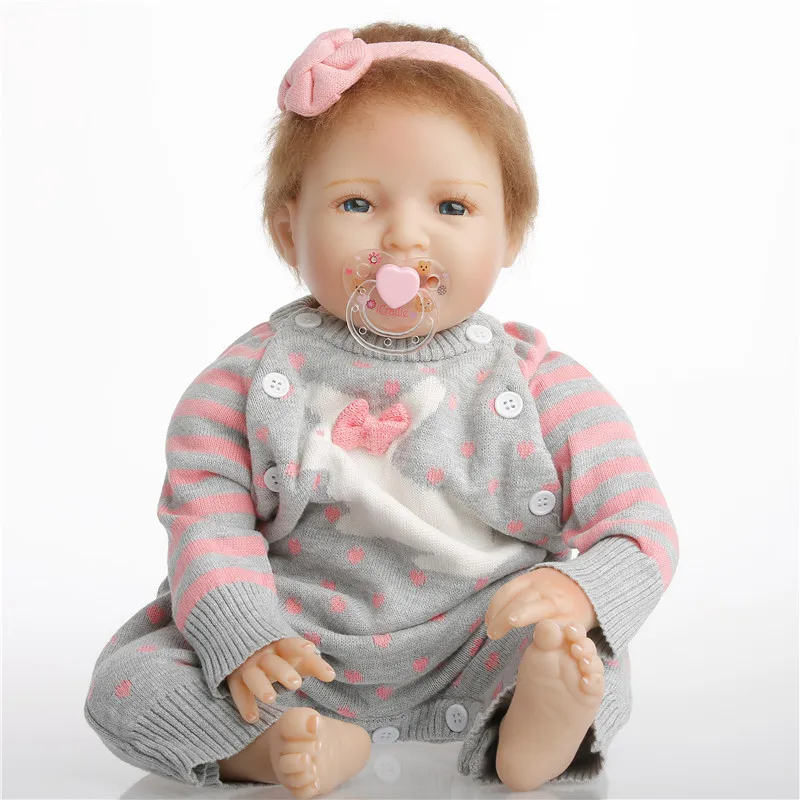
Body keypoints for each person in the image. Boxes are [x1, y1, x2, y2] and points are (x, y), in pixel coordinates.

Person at [84, 22, 678, 797]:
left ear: (510, 232)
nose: (403, 238)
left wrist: (580, 593)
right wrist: (244, 635)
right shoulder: (241, 384)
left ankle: (535, 730)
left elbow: (639, 522)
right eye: (358, 202)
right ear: (288, 228)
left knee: (587, 654)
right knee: (126, 685)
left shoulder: (544, 387)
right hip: (294, 649)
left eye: (452, 206)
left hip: (479, 644)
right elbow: (207, 522)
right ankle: (272, 745)